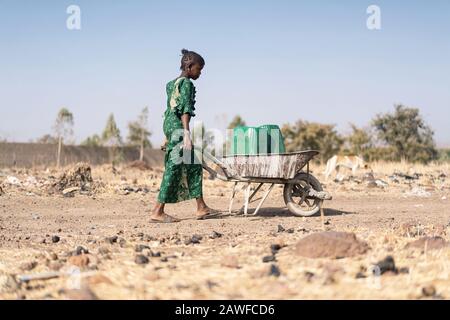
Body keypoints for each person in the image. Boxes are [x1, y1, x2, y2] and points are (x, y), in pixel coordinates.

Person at [150, 49, 217, 223]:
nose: (200, 73)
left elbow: (170, 109)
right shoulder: (186, 84)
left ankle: (201, 207)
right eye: (199, 69)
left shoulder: (170, 84)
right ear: (189, 66)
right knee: (173, 168)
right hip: (179, 129)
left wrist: (168, 135)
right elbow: (184, 109)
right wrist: (186, 134)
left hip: (170, 126)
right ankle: (157, 211)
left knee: (193, 165)